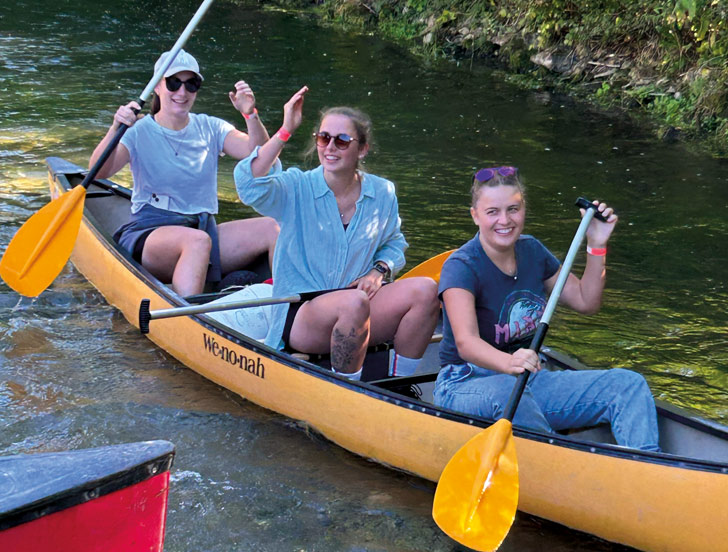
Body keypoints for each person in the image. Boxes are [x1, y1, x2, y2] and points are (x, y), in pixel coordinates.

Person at [433, 166, 660, 451]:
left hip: (526, 380)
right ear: (475, 215)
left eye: (513, 209)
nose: (505, 220)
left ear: (524, 209)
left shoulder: (532, 251)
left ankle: (645, 469)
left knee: (627, 384)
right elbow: (466, 343)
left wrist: (596, 243)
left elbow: (585, 301)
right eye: (492, 212)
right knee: (505, 392)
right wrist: (509, 363)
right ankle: (562, 461)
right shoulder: (461, 266)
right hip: (464, 384)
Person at [233, 86, 440, 381]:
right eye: (323, 137)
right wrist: (286, 130)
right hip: (301, 314)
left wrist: (379, 271)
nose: (330, 147)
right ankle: (348, 391)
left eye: (342, 140)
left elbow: (394, 245)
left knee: (426, 291)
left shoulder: (383, 192)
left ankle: (399, 384)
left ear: (362, 148)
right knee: (354, 303)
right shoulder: (296, 187)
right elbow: (248, 185)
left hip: (358, 305)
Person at [89, 49, 279, 297]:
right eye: (174, 83)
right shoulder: (137, 130)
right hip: (151, 233)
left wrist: (250, 115)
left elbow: (261, 155)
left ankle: (284, 306)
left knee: (272, 226)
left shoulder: (210, 126)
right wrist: (116, 129)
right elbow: (97, 173)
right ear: (157, 86)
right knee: (196, 242)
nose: (182, 92)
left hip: (202, 229)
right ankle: (189, 320)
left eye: (191, 84)